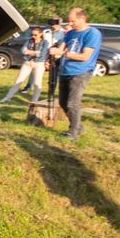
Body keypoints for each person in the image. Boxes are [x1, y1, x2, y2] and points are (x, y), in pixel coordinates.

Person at [50, 7, 102, 140]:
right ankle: (77, 126)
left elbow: (85, 56)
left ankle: (72, 133)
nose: (70, 24)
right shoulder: (70, 33)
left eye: (73, 21)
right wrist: (53, 52)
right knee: (62, 102)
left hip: (81, 71)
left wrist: (62, 53)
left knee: (72, 103)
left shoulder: (92, 33)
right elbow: (61, 49)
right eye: (69, 21)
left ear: (82, 18)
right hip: (65, 70)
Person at [0, 27, 48, 102]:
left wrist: (30, 52)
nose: (33, 36)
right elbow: (23, 50)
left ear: (41, 34)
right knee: (18, 80)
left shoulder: (45, 42)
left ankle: (34, 101)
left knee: (37, 83)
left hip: (39, 64)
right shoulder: (29, 41)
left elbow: (42, 54)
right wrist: (35, 52)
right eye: (32, 34)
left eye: (35, 35)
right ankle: (8, 97)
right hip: (28, 63)